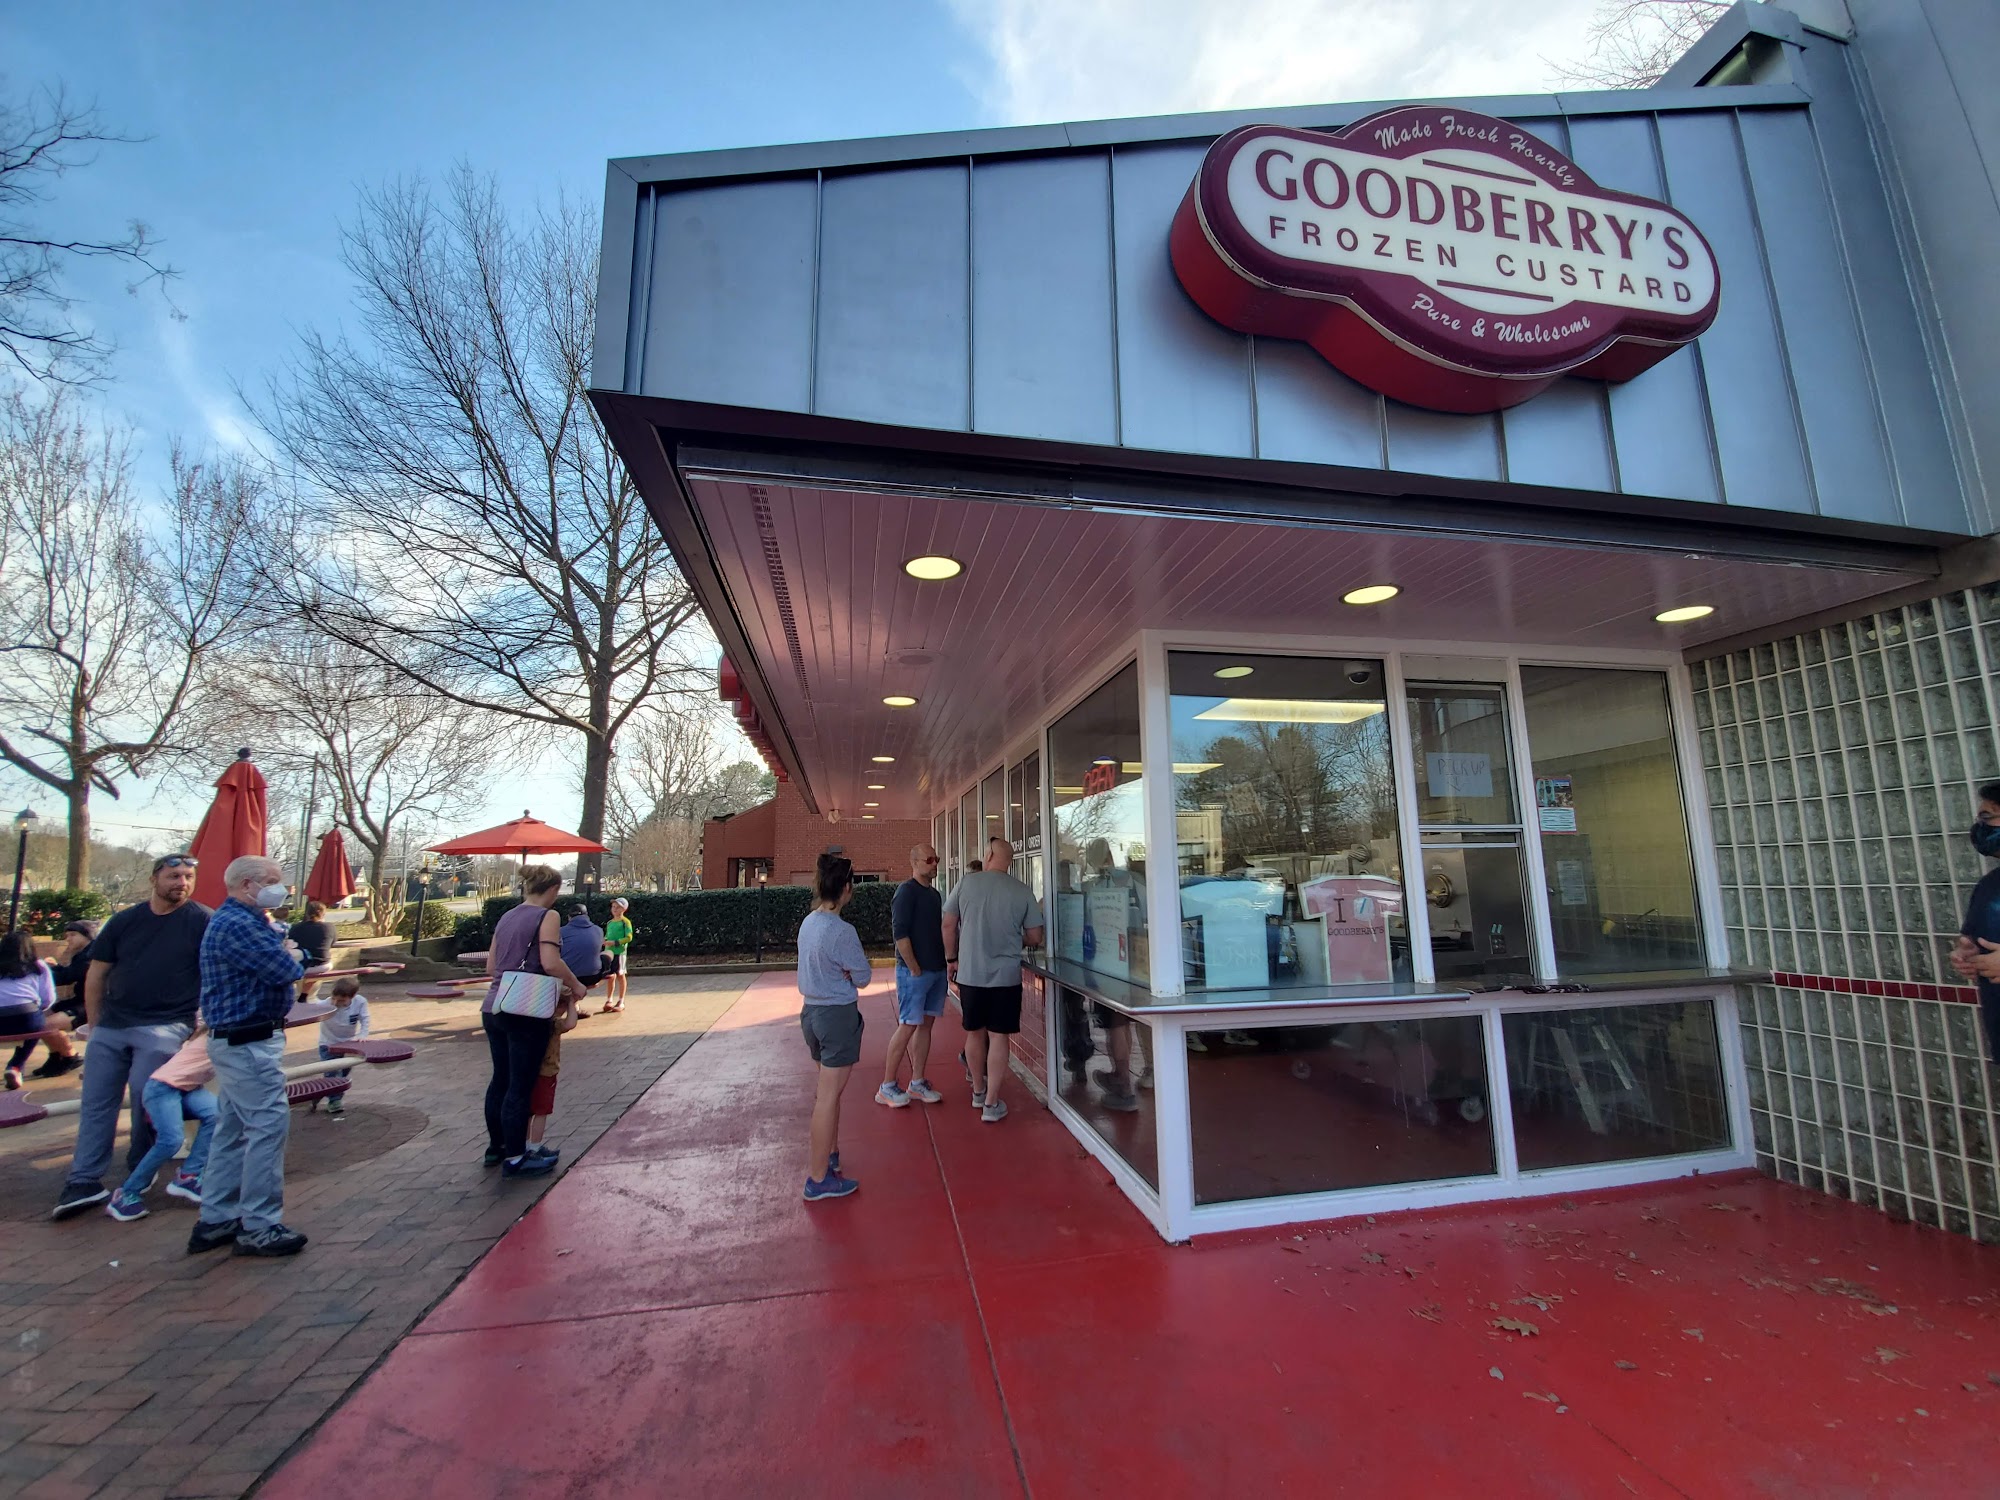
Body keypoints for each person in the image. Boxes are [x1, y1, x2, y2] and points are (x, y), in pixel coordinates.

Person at [51, 854, 211, 1221]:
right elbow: (97, 975)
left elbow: (216, 972)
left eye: (188, 876)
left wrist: (202, 1021)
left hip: (167, 1026)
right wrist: (95, 1027)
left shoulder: (202, 920)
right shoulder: (125, 921)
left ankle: (141, 1165)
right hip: (112, 1025)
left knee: (147, 1097)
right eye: (174, 876)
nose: (182, 883)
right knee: (96, 1102)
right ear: (154, 879)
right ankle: (84, 1180)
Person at [188, 855, 309, 1257]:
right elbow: (286, 969)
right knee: (267, 1126)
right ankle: (259, 1223)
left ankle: (217, 1216)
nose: (282, 887)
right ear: (246, 885)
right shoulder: (237, 924)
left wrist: (290, 950)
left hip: (241, 1040)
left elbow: (285, 955)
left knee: (232, 1129)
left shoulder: (248, 922)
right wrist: (294, 955)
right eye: (272, 881)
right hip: (247, 1041)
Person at [481, 865, 584, 1177]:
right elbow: (551, 962)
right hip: (526, 1010)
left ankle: (496, 1148)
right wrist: (575, 984)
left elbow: (490, 966)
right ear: (553, 890)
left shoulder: (507, 916)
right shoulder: (547, 916)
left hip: (494, 1005)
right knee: (521, 1084)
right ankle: (517, 1157)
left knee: (500, 1079)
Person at [944, 836, 1045, 1124]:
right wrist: (1016, 937)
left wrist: (952, 959)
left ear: (988, 855)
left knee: (974, 1033)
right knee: (999, 1038)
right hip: (1006, 977)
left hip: (971, 976)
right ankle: (991, 1104)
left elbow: (948, 924)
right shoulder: (1022, 890)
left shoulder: (966, 883)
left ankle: (978, 1091)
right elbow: (1035, 936)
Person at [798, 853, 870, 1201]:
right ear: (845, 888)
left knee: (829, 1092)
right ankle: (817, 1178)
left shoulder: (809, 922)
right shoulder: (843, 932)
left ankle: (830, 1153)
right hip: (837, 1016)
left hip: (810, 1014)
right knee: (827, 1097)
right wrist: (848, 973)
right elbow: (864, 976)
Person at [105, 1026, 217, 1221]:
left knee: (218, 1114)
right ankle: (126, 1194)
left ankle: (188, 1176)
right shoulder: (218, 1032)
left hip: (188, 1088)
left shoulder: (220, 1030)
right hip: (162, 1088)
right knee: (171, 1141)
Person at [878, 843, 946, 1108]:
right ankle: (887, 1085)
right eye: (930, 859)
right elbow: (900, 933)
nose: (934, 864)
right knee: (907, 1025)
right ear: (915, 862)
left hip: (935, 970)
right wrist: (914, 967)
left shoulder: (935, 896)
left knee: (925, 1027)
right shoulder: (906, 892)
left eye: (936, 859)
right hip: (914, 973)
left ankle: (917, 1082)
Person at [1949, 781, 2000, 1064]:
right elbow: (1974, 943)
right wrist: (1967, 956)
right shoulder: (1988, 886)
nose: (1980, 827)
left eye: (1988, 817)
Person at [8, 920, 91, 1082]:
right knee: (42, 1016)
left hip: (90, 1004)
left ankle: (69, 1056)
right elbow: (69, 973)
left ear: (87, 937)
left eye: (73, 935)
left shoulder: (91, 954)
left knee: (45, 1024)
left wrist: (44, 969)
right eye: (67, 935)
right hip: (78, 1000)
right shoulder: (82, 954)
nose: (68, 939)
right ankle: (56, 1057)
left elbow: (68, 976)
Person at [1, 928, 57, 1091]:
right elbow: (48, 999)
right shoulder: (38, 966)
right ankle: (16, 1066)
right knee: (37, 1025)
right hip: (26, 1016)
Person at [524, 1002, 578, 1164]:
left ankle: (525, 1145)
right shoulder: (553, 1023)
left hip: (527, 1071)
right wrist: (571, 1004)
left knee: (528, 1111)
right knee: (541, 1112)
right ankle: (535, 1146)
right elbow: (571, 1023)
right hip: (546, 1073)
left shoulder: (529, 1021)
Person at [317, 975, 370, 1117]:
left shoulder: (360, 1002)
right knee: (332, 1072)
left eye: (341, 1000)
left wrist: (362, 1035)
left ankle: (322, 1091)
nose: (336, 1002)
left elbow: (365, 1019)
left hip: (348, 1043)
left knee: (344, 1071)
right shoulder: (325, 1004)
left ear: (352, 997)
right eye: (334, 998)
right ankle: (335, 1101)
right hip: (328, 1043)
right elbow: (311, 1007)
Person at [559, 904, 606, 1015]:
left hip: (568, 976)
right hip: (593, 976)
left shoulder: (561, 932)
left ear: (569, 917)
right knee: (609, 953)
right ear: (587, 916)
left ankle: (572, 1007)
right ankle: (575, 1007)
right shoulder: (598, 930)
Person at [291, 901, 334, 999]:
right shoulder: (329, 927)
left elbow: (291, 944)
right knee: (325, 965)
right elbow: (331, 943)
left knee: (304, 968)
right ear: (323, 913)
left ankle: (304, 995)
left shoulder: (295, 928)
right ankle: (306, 995)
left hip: (301, 965)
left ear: (307, 913)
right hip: (322, 965)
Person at [602, 896, 633, 1012]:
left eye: (618, 907)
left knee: (620, 975)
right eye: (613, 907)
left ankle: (621, 1000)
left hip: (620, 953)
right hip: (609, 953)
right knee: (610, 976)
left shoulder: (625, 922)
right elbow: (608, 935)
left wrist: (616, 943)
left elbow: (629, 937)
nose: (615, 909)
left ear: (624, 909)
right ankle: (609, 999)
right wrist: (604, 940)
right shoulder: (610, 923)